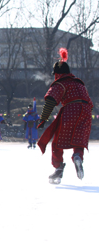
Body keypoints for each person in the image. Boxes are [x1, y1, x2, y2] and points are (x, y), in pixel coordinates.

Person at [37, 48, 93, 185]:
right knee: (77, 139)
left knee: (57, 141)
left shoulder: (61, 82)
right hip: (86, 112)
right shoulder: (79, 83)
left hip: (71, 110)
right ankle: (78, 155)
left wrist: (43, 118)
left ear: (57, 73)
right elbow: (88, 101)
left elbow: (51, 100)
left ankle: (58, 168)